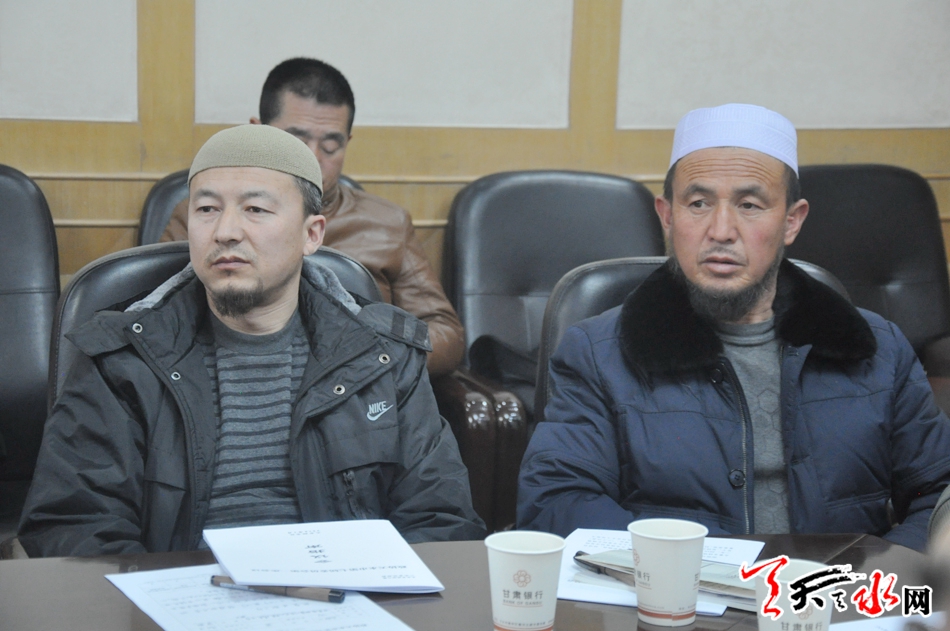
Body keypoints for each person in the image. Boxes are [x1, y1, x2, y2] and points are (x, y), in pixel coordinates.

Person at [19, 125, 484, 557]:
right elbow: (73, 526)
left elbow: (440, 519)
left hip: (346, 597)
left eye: (255, 210)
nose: (225, 232)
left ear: (311, 234)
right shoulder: (122, 359)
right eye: (206, 209)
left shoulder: (382, 355)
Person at [517, 103, 950, 552]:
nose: (721, 230)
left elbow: (938, 493)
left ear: (791, 221)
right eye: (698, 204)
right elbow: (557, 502)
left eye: (749, 205)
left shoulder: (879, 349)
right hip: (674, 592)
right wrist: (711, 570)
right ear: (668, 216)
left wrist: (875, 574)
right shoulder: (598, 353)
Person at [162, 57, 464, 377]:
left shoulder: (387, 223)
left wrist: (368, 358)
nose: (313, 158)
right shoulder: (205, 220)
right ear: (258, 131)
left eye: (330, 146)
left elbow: (445, 333)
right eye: (296, 142)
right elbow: (157, 316)